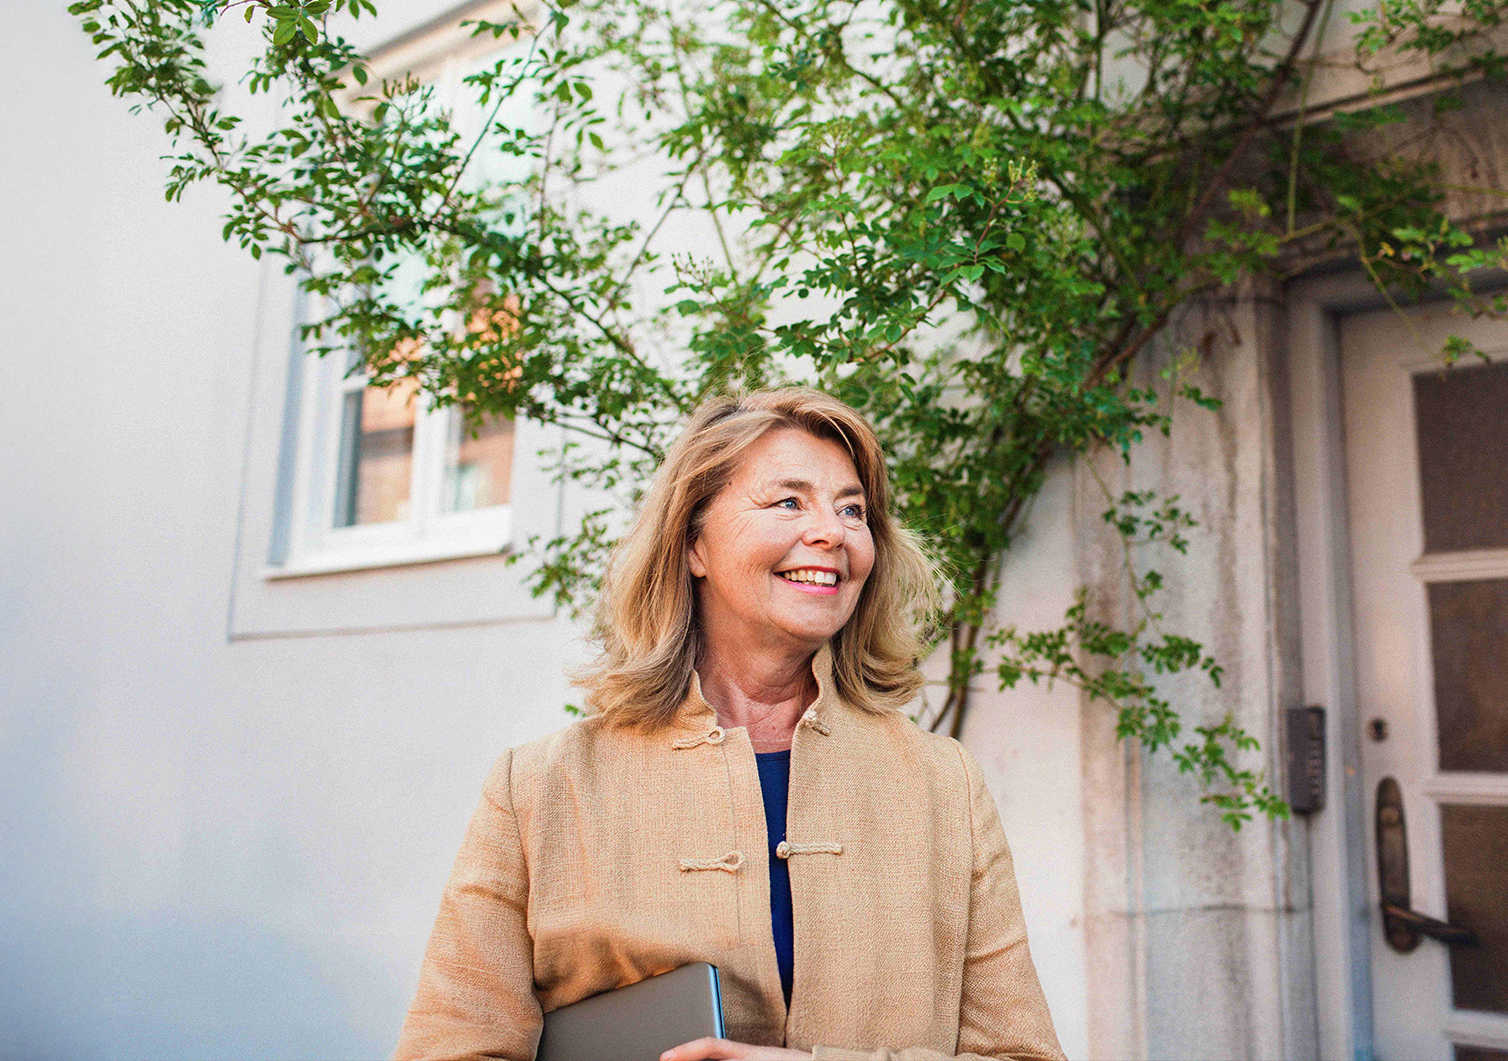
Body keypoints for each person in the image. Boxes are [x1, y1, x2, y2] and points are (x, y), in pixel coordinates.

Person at [393, 387, 1065, 1061]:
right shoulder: (541, 789)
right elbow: (450, 1046)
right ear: (694, 546)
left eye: (852, 509)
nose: (832, 532)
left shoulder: (941, 785)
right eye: (788, 502)